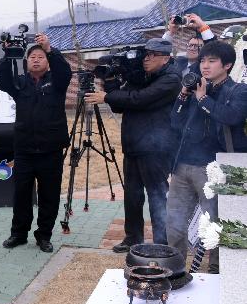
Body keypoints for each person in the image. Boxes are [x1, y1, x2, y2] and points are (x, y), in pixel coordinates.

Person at [85, 38, 181, 252]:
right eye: (145, 54)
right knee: (132, 194)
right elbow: (121, 104)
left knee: (157, 194)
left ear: (165, 58)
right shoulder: (142, 75)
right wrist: (109, 77)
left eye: (151, 55)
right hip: (133, 143)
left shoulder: (172, 78)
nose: (146, 59)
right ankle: (132, 238)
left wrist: (108, 96)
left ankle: (162, 241)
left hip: (155, 148)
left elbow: (140, 99)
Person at [168, 40, 247, 273]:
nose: (205, 66)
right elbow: (175, 120)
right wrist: (184, 95)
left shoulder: (238, 91)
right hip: (183, 165)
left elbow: (231, 116)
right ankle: (175, 270)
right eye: (202, 60)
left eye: (212, 61)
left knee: (218, 224)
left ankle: (220, 272)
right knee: (174, 224)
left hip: (215, 168)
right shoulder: (196, 88)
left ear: (228, 65)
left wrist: (203, 99)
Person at [0, 34, 70, 252]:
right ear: (26, 62)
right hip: (24, 149)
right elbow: (3, 82)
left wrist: (50, 49)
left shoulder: (57, 81)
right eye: (32, 57)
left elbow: (65, 71)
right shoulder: (20, 83)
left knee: (49, 195)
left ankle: (44, 235)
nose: (36, 60)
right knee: (21, 194)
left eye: (40, 56)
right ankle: (18, 234)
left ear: (47, 60)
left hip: (51, 149)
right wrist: (6, 55)